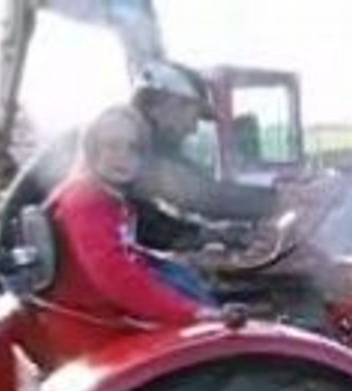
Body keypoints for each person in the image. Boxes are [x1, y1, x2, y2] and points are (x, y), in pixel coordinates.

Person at [0, 60, 278, 280]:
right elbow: (203, 196)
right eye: (192, 115)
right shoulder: (128, 141)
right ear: (162, 104)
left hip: (41, 269)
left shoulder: (121, 136)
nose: (192, 129)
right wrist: (280, 199)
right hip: (40, 276)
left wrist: (214, 234)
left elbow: (144, 221)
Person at [47, 105, 222, 325]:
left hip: (104, 312)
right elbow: (116, 276)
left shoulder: (109, 197)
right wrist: (192, 313)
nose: (124, 156)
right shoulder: (85, 200)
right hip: (97, 322)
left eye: (133, 148)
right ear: (91, 149)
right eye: (112, 146)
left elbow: (128, 255)